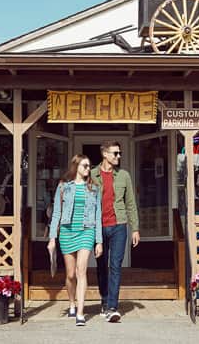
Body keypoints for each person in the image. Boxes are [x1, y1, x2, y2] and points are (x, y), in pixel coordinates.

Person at [47, 154, 103, 326]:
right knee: (70, 275)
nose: (88, 169)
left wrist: (98, 240)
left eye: (89, 166)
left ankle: (80, 312)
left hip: (87, 231)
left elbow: (98, 215)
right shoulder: (64, 187)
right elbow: (56, 212)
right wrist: (52, 238)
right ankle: (71, 302)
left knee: (81, 271)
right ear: (76, 166)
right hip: (66, 232)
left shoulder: (94, 188)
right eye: (85, 166)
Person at [91, 140, 140, 323]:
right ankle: (104, 299)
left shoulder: (124, 176)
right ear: (105, 154)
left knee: (116, 266)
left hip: (119, 226)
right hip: (98, 228)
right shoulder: (92, 175)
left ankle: (112, 306)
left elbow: (130, 203)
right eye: (115, 153)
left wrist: (135, 228)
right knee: (102, 266)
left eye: (119, 153)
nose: (119, 156)